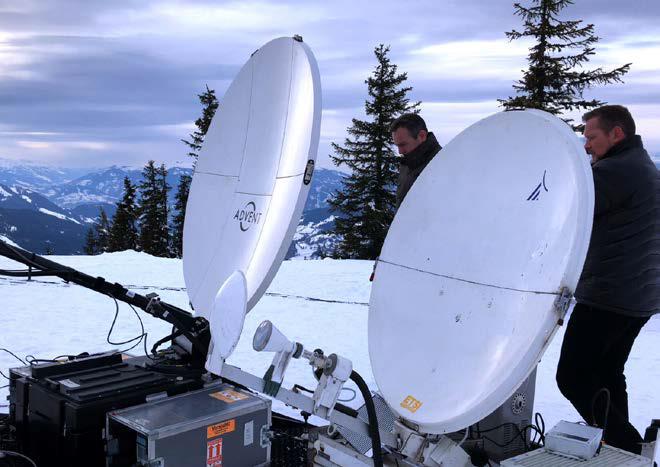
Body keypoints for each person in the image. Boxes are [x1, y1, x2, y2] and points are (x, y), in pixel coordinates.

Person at [556, 105, 659, 455]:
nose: (586, 146)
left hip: (610, 295)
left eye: (591, 137)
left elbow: (564, 208)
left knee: (572, 377)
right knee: (608, 373)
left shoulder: (615, 171)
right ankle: (622, 453)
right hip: (638, 296)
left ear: (617, 134)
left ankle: (628, 446)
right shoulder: (640, 164)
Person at [390, 113, 442, 208]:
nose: (400, 151)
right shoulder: (406, 164)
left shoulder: (440, 164)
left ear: (422, 136)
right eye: (397, 146)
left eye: (403, 144)